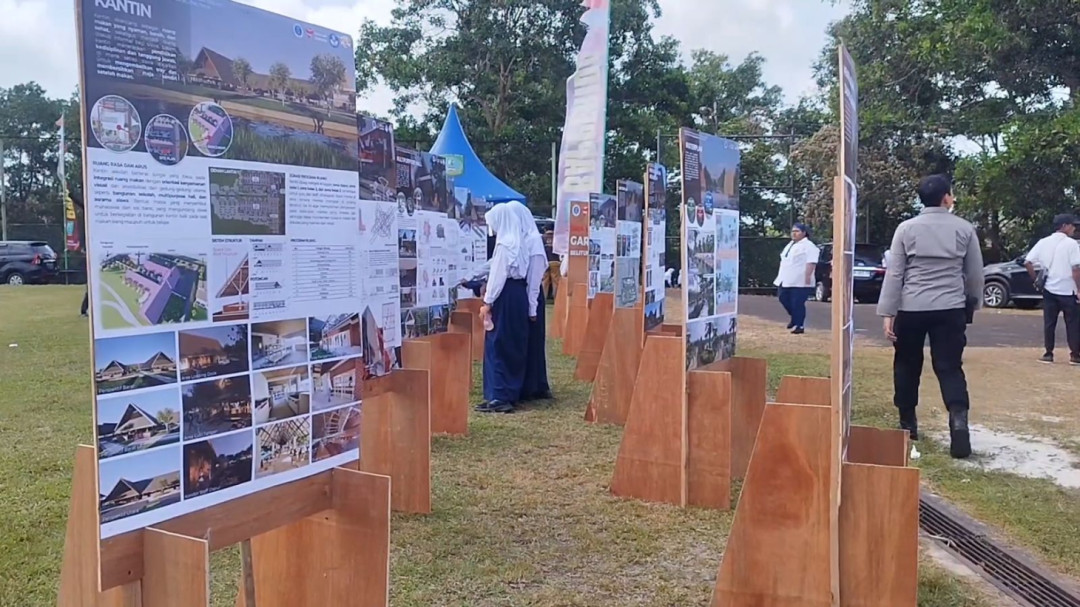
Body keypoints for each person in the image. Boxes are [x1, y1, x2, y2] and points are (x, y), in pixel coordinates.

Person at [877, 174, 984, 459]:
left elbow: (896, 273)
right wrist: (971, 304)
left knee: (906, 363)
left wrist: (888, 312)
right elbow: (974, 273)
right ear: (946, 197)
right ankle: (958, 419)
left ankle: (908, 422)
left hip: (911, 307)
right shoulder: (964, 228)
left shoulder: (906, 228)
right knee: (950, 367)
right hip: (950, 308)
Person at [477, 203, 533, 414]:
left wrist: (487, 302)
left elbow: (497, 278)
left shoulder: (504, 246)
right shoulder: (521, 244)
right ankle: (509, 392)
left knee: (497, 342)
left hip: (505, 295)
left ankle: (498, 394)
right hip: (519, 295)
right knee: (513, 342)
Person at [507, 202, 553, 402]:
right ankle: (526, 383)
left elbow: (535, 279)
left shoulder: (534, 241)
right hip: (526, 296)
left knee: (533, 342)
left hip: (532, 297)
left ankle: (534, 385)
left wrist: (532, 307)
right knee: (524, 342)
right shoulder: (522, 238)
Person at [1024, 214, 1080, 365]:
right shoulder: (1071, 244)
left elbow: (1028, 262)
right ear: (1064, 226)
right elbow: (1076, 268)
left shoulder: (1043, 242)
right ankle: (1075, 355)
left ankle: (1048, 353)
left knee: (1049, 323)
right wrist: (1079, 288)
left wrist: (1036, 279)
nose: (1074, 228)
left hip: (1049, 289)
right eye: (1072, 225)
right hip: (1068, 290)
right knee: (1073, 323)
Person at [773, 223, 819, 334]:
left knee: (797, 303)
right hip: (785, 278)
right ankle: (794, 318)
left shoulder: (809, 246)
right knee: (783, 298)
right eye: (793, 231)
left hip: (800, 280)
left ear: (804, 233)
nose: (794, 233)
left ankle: (799, 325)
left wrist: (807, 277)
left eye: (797, 231)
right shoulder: (791, 244)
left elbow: (811, 262)